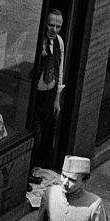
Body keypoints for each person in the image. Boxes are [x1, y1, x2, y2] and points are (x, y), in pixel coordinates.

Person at [31, 9, 65, 168]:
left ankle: (34, 170)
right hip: (35, 96)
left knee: (45, 136)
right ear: (45, 24)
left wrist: (57, 98)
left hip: (49, 96)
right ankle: (28, 172)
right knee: (35, 136)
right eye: (51, 25)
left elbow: (60, 69)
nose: (54, 30)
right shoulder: (37, 41)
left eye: (58, 26)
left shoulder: (59, 42)